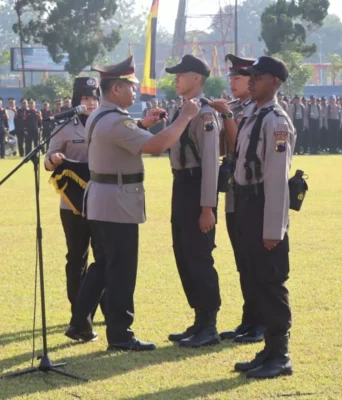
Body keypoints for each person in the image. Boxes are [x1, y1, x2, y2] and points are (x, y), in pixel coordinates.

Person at [65, 55, 201, 351]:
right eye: (131, 86)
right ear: (116, 89)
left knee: (102, 265)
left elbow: (122, 139)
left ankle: (79, 321)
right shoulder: (116, 120)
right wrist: (185, 117)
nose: (135, 91)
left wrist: (142, 124)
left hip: (103, 199)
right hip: (117, 202)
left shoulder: (102, 115)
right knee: (121, 270)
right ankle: (121, 333)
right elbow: (156, 146)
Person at [229, 56, 294, 379]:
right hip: (246, 206)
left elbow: (277, 180)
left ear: (275, 82)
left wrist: (274, 228)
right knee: (254, 278)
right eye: (249, 76)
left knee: (270, 281)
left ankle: (280, 354)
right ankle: (268, 349)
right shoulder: (252, 115)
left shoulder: (275, 121)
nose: (250, 81)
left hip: (264, 208)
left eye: (258, 76)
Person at [163, 54, 222, 349]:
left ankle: (209, 324)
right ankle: (199, 320)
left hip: (198, 187)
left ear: (197, 78)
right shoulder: (182, 110)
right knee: (183, 253)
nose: (176, 79)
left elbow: (211, 163)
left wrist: (207, 207)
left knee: (199, 256)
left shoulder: (205, 114)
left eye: (181, 74)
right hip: (181, 185)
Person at [211, 54, 265, 345]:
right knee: (242, 260)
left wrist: (227, 116)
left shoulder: (257, 111)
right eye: (231, 77)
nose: (232, 82)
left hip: (253, 192)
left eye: (238, 77)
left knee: (256, 260)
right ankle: (249, 319)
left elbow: (237, 145)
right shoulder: (234, 107)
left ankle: (262, 322)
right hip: (234, 192)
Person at [45, 77, 102, 326]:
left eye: (94, 98)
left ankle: (101, 312)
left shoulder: (106, 123)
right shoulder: (65, 127)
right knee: (77, 258)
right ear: (77, 101)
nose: (90, 103)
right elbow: (47, 162)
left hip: (103, 203)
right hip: (72, 205)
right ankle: (78, 312)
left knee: (103, 258)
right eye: (85, 99)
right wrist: (55, 159)